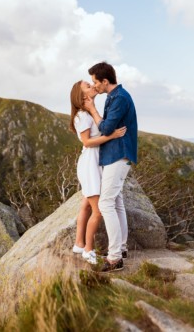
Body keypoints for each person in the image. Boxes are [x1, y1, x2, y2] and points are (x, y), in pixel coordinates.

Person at [85, 62, 137, 272]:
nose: (94, 85)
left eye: (95, 82)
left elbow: (106, 128)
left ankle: (115, 257)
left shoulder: (120, 98)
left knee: (106, 203)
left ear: (105, 81)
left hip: (118, 154)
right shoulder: (115, 97)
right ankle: (121, 248)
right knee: (116, 202)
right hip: (115, 155)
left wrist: (92, 109)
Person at [70, 80, 127, 264]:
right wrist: (111, 135)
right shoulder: (82, 116)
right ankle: (88, 249)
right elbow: (87, 142)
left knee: (86, 205)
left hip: (95, 162)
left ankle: (79, 244)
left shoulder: (87, 113)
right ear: (82, 96)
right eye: (88, 86)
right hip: (90, 164)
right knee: (98, 211)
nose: (93, 86)